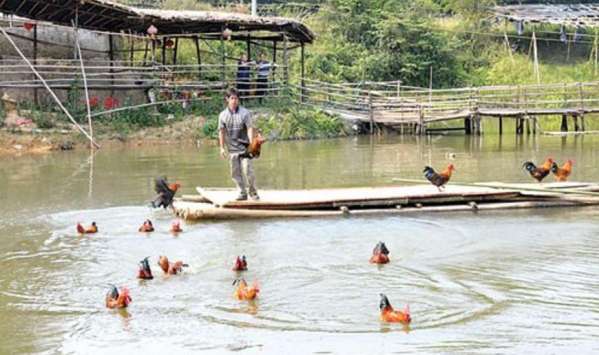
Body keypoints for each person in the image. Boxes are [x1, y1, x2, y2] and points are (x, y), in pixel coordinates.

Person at [218, 88, 259, 201]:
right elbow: (221, 132)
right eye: (232, 98)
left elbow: (250, 128)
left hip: (245, 148)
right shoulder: (222, 115)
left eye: (236, 98)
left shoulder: (245, 113)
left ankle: (253, 192)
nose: (234, 101)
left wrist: (251, 144)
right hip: (232, 148)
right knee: (235, 173)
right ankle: (242, 193)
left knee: (248, 171)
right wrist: (221, 148)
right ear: (227, 99)